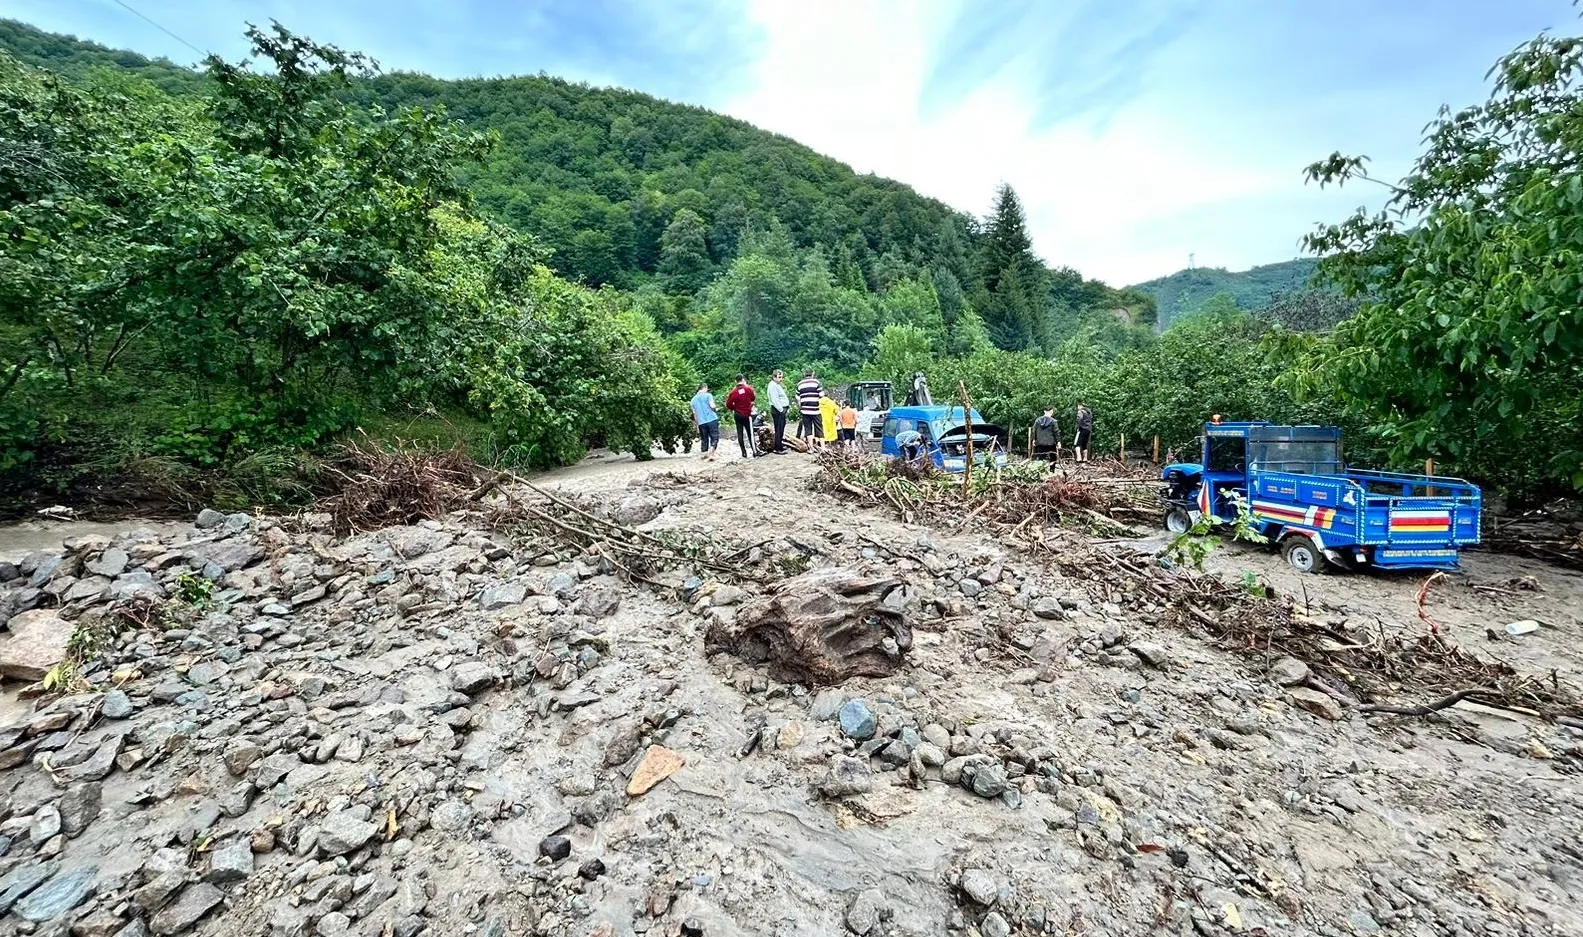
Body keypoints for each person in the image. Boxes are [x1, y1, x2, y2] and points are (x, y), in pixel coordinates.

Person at [725, 374, 758, 459]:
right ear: (743, 380)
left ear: (736, 381)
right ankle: (754, 451)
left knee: (740, 434)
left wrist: (735, 408)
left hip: (737, 414)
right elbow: (753, 398)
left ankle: (743, 452)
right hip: (747, 414)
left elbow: (728, 404)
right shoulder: (748, 389)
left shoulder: (733, 392)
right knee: (750, 433)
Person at [690, 383, 720, 461]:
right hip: (711, 419)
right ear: (705, 388)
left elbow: (695, 414)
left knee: (704, 440)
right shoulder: (708, 395)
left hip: (701, 423)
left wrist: (697, 425)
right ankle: (711, 453)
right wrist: (715, 410)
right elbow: (712, 406)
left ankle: (704, 455)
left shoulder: (692, 400)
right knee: (714, 437)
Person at [767, 369, 791, 454]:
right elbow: (775, 400)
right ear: (774, 377)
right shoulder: (772, 386)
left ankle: (779, 445)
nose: (781, 379)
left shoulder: (776, 385)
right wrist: (781, 410)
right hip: (778, 410)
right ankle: (777, 448)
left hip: (780, 409)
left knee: (781, 428)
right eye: (779, 377)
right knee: (778, 429)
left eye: (782, 377)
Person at [796, 370, 822, 442]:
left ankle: (811, 448)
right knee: (819, 427)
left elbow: (798, 398)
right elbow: (821, 395)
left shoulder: (799, 384)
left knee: (808, 429)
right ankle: (822, 446)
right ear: (813, 374)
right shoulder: (816, 382)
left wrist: (800, 407)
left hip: (804, 410)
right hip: (816, 410)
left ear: (804, 374)